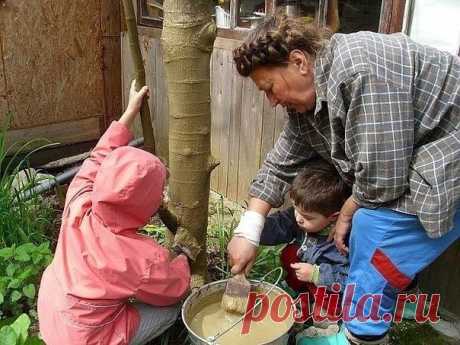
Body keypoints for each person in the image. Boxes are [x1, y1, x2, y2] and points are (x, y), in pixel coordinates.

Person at [228, 15, 460, 345]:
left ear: (299, 61)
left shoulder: (360, 70)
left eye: (270, 88)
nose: (272, 101)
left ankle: (361, 336)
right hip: (414, 159)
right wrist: (247, 232)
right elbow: (279, 164)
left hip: (450, 150)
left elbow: (383, 181)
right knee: (372, 235)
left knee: (373, 231)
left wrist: (347, 212)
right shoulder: (307, 107)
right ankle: (388, 302)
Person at [37, 81, 200, 345]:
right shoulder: (138, 259)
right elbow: (174, 288)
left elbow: (98, 157)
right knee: (171, 309)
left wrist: (130, 111)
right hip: (85, 337)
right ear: (146, 206)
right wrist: (182, 257)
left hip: (52, 311)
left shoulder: (79, 199)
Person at [259, 159, 350, 297]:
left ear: (333, 217)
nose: (298, 218)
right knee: (290, 253)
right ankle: (295, 292)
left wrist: (317, 275)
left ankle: (318, 310)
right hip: (301, 282)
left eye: (308, 217)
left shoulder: (342, 244)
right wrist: (252, 231)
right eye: (295, 209)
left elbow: (350, 280)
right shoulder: (304, 216)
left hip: (328, 295)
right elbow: (281, 223)